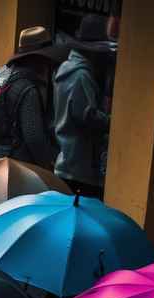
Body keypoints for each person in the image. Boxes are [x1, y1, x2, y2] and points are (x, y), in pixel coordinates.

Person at [0, 26, 67, 170]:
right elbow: (33, 137)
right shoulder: (27, 89)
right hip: (11, 163)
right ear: (37, 59)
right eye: (46, 58)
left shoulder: (3, 73)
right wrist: (47, 166)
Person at [53, 15, 115, 198]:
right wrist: (112, 122)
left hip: (67, 160)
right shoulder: (81, 76)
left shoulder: (66, 68)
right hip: (79, 167)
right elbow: (87, 116)